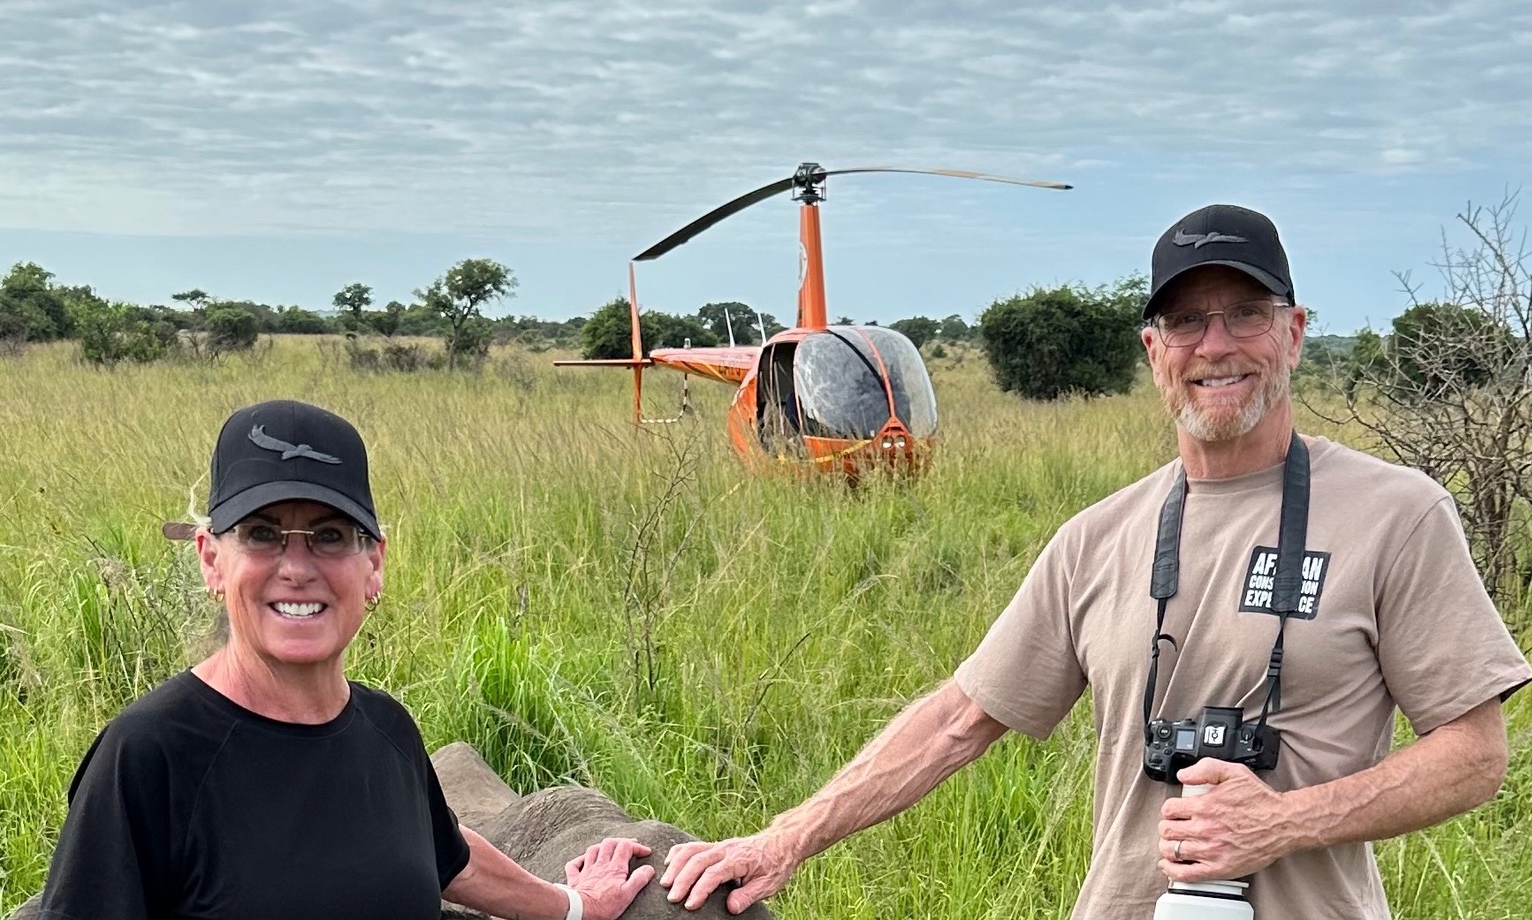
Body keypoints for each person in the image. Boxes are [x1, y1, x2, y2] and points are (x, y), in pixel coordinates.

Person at [661, 204, 1532, 920]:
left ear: (1295, 334)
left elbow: (1474, 755)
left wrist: (1283, 822)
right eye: (1186, 321)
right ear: (1154, 352)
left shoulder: (1396, 514)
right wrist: (784, 838)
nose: (1215, 345)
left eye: (1246, 314)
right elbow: (960, 719)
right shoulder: (1096, 538)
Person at [35, 398, 654, 920]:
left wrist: (576, 905)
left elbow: (449, 860)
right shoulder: (148, 754)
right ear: (211, 559)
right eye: (261, 533)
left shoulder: (387, 729)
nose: (297, 568)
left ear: (373, 564)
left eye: (330, 536)